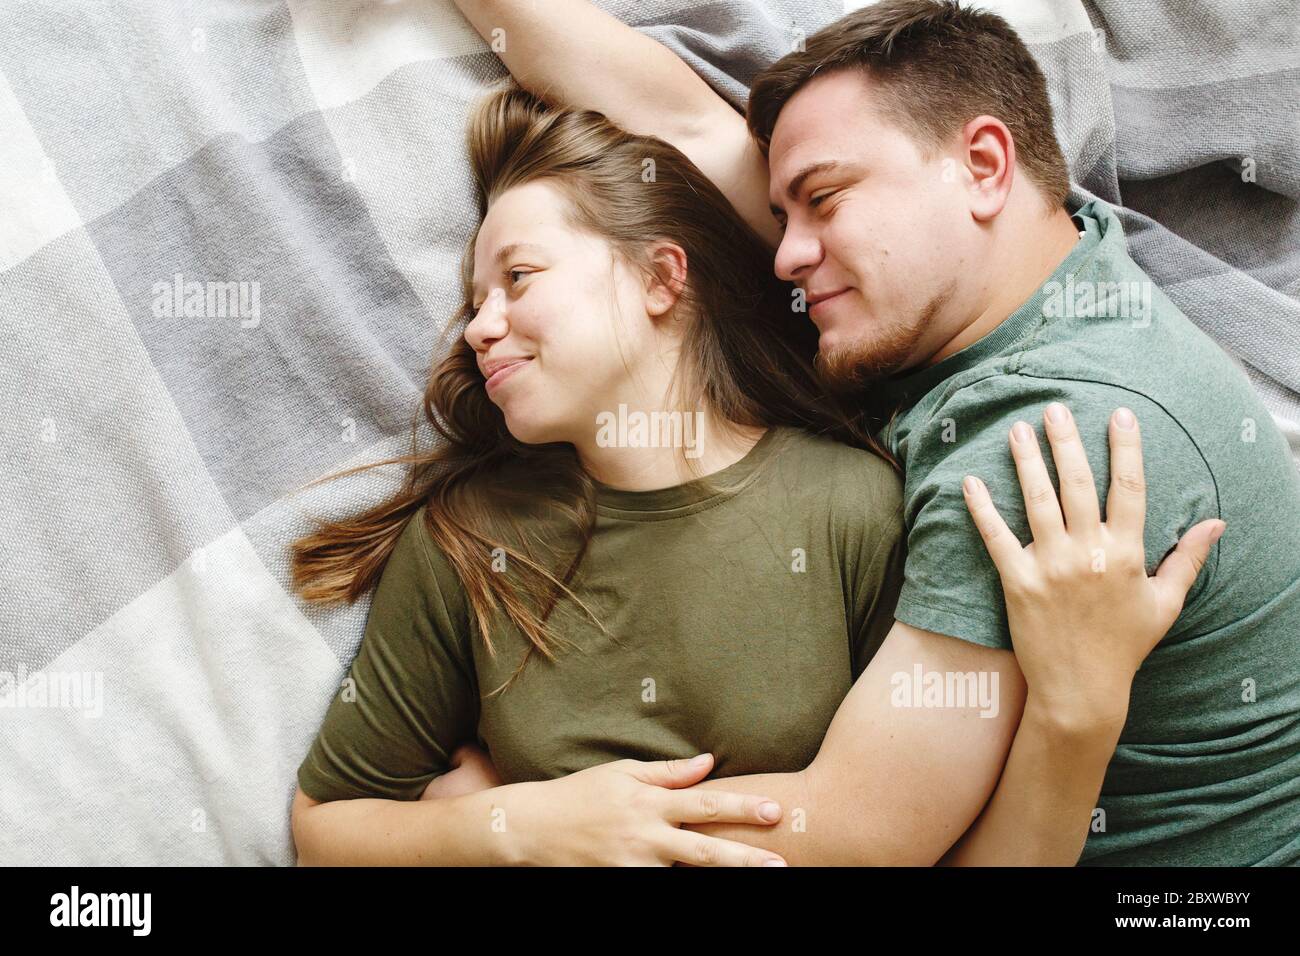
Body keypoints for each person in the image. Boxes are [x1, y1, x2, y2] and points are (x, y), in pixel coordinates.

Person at [444, 0, 1300, 866]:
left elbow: (854, 833)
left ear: (983, 165)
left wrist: (520, 822)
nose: (783, 256)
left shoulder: (1041, 443)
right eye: (784, 215)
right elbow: (681, 123)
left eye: (822, 200)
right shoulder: (1044, 256)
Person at [287, 85, 1216, 866]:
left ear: (662, 279)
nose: (479, 326)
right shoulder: (468, 540)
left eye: (518, 278)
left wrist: (609, 831)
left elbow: (926, 845)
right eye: (473, 302)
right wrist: (513, 828)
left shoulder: (854, 505)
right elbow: (324, 825)